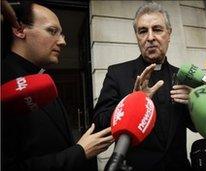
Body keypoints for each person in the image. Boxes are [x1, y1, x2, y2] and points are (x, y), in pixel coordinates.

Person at [1, 2, 114, 171]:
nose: (62, 42)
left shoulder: (41, 79)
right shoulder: (4, 81)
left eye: (61, 34)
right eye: (52, 31)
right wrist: (79, 152)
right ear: (19, 30)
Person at [93, 2, 195, 170]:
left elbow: (195, 127)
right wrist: (133, 103)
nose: (150, 37)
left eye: (157, 29)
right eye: (143, 31)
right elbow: (99, 123)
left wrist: (195, 102)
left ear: (169, 34)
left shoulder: (183, 77)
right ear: (137, 37)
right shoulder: (117, 73)